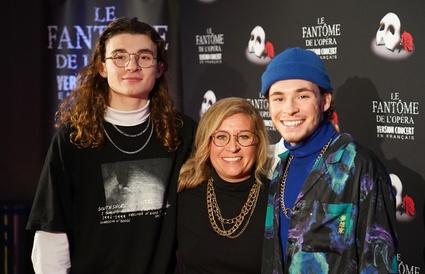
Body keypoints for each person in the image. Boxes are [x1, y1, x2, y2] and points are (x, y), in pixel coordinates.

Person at [26, 17, 197, 273]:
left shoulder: (182, 132)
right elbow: (51, 233)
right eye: (119, 56)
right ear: (102, 68)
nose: (132, 66)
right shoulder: (73, 138)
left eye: (144, 57)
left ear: (159, 69)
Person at [260, 47, 398, 273]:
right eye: (279, 98)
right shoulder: (280, 169)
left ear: (324, 102)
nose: (289, 109)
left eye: (302, 96)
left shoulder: (361, 167)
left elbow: (380, 265)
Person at [177, 97, 271, 273]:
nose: (233, 147)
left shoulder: (277, 198)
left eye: (244, 136)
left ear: (258, 143)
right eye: (221, 137)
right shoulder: (184, 195)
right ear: (207, 143)